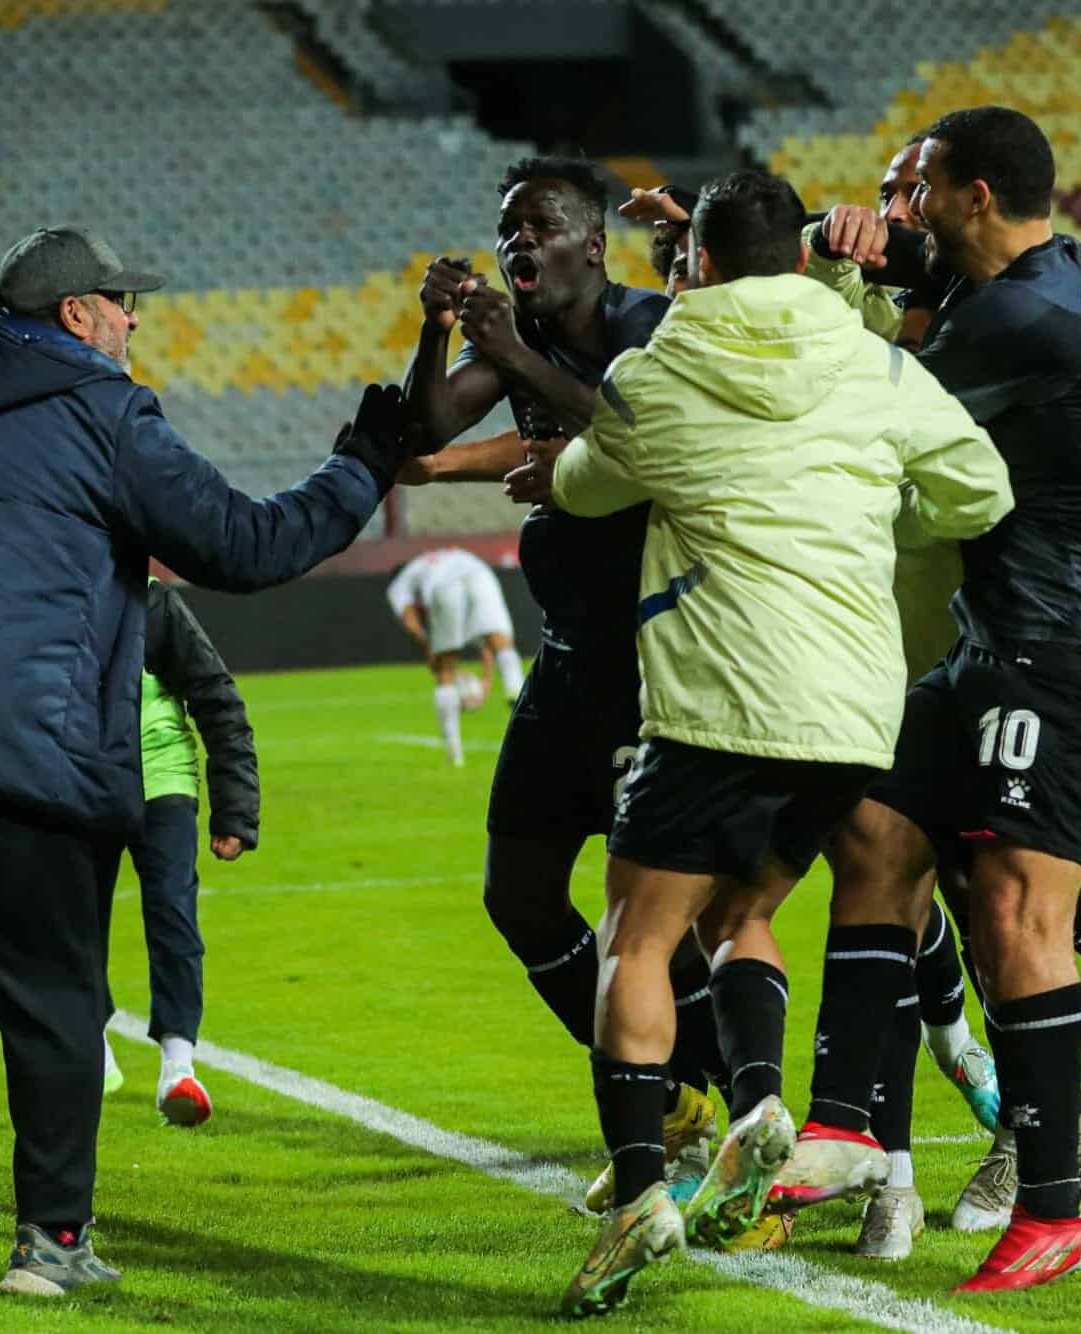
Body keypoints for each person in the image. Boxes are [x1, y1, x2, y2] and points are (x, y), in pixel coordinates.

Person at [0, 225, 410, 1295]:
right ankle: (52, 1240)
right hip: (17, 748)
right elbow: (242, 546)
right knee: (55, 995)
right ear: (74, 314)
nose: (135, 321)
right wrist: (362, 466)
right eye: (121, 303)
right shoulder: (105, 413)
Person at [506, 167, 1012, 1317]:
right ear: (796, 257)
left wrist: (563, 471)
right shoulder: (867, 357)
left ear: (693, 263)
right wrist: (880, 505)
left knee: (635, 937)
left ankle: (642, 1186)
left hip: (716, 703)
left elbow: (583, 486)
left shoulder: (660, 368)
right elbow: (977, 490)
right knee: (744, 914)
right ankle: (759, 1107)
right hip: (848, 715)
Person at [777, 106, 1081, 1294]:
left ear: (974, 195)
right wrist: (851, 237)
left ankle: (1054, 1200)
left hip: (1066, 651)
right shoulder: (1037, 282)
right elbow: (913, 276)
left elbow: (870, 412)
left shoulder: (1027, 315)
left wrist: (799, 270)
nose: (901, 212)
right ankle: (849, 1123)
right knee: (871, 819)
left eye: (918, 192)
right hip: (993, 645)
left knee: (1014, 912)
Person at [401, 158, 733, 1211]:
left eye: (534, 222)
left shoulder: (651, 326)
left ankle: (741, 1126)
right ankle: (679, 1099)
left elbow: (638, 431)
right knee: (518, 892)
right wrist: (438, 336)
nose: (514, 241)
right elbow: (422, 430)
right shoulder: (517, 338)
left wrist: (512, 356)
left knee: (664, 920)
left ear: (590, 242)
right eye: (504, 226)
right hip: (567, 662)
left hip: (657, 669)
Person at [97, 577, 260, 1127]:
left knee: (171, 910)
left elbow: (217, 698)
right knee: (68, 921)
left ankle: (178, 1066)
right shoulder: (37, 592)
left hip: (161, 778)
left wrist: (234, 810)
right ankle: (89, 1044)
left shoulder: (153, 602)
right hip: (74, 784)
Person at [384, 546, 522, 766]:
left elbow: (411, 624)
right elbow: (484, 643)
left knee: (445, 670)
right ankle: (515, 691)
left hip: (444, 586)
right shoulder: (437, 558)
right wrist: (487, 680)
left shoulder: (399, 584)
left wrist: (430, 651)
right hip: (480, 573)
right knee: (501, 643)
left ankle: (454, 752)